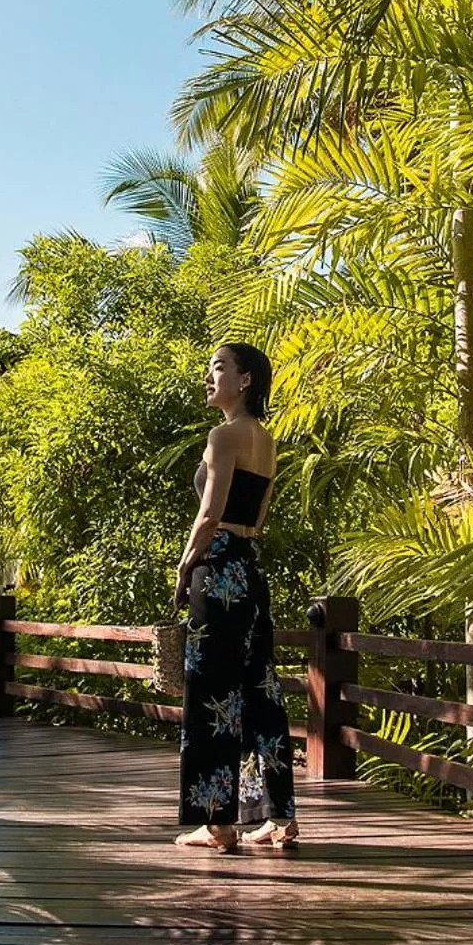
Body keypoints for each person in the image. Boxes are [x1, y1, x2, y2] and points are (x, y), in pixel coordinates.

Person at [172, 342, 296, 852]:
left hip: (218, 567)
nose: (209, 376)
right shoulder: (264, 440)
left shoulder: (223, 435)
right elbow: (258, 516)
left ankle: (219, 823)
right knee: (260, 691)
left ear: (245, 380)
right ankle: (278, 817)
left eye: (218, 367)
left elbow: (208, 513)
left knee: (211, 694)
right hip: (249, 565)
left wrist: (184, 566)